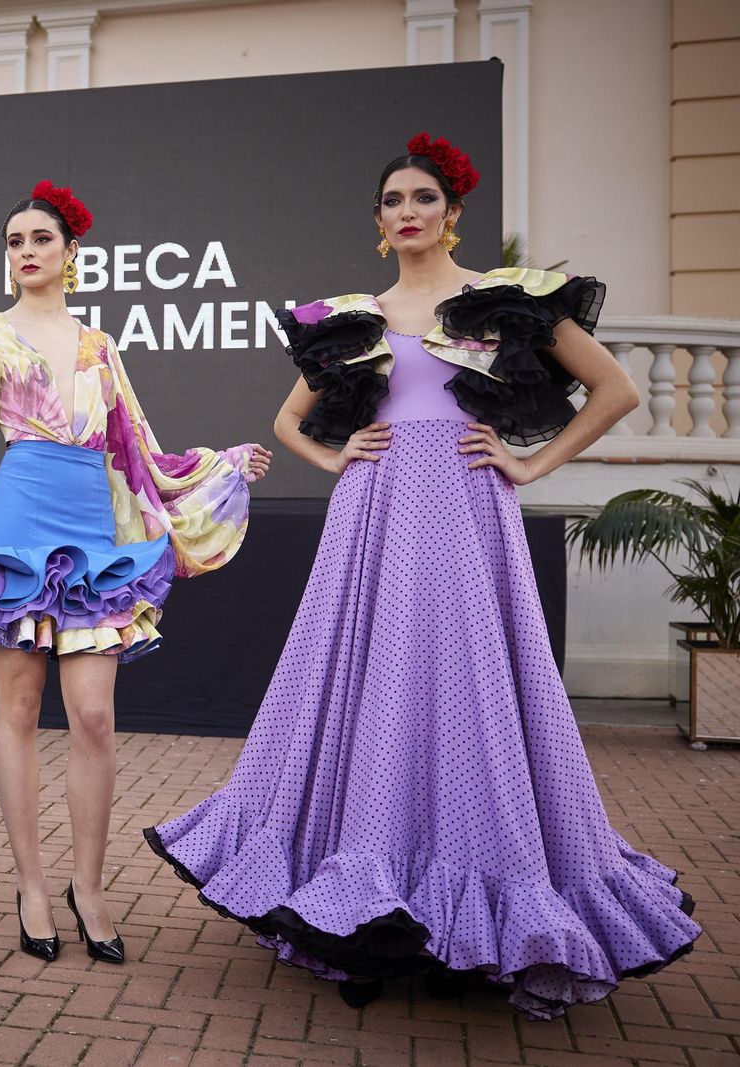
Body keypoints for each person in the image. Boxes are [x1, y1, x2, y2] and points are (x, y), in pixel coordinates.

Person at [145, 134, 701, 1018]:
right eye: (394, 201)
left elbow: (617, 391)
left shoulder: (504, 303)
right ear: (378, 223)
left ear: (452, 213)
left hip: (467, 514)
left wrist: (530, 464)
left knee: (465, 686)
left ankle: (481, 898)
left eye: (424, 199)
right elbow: (291, 420)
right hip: (370, 516)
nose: (408, 211)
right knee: (368, 684)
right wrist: (340, 458)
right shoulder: (351, 317)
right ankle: (356, 902)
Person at [0, 181, 272, 964]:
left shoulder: (102, 346)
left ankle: (89, 886)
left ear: (71, 253)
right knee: (21, 709)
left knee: (94, 716)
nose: (26, 250)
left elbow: (137, 449)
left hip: (89, 531)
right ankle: (33, 886)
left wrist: (219, 466)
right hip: (14, 523)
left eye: (40, 238)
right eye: (14, 241)